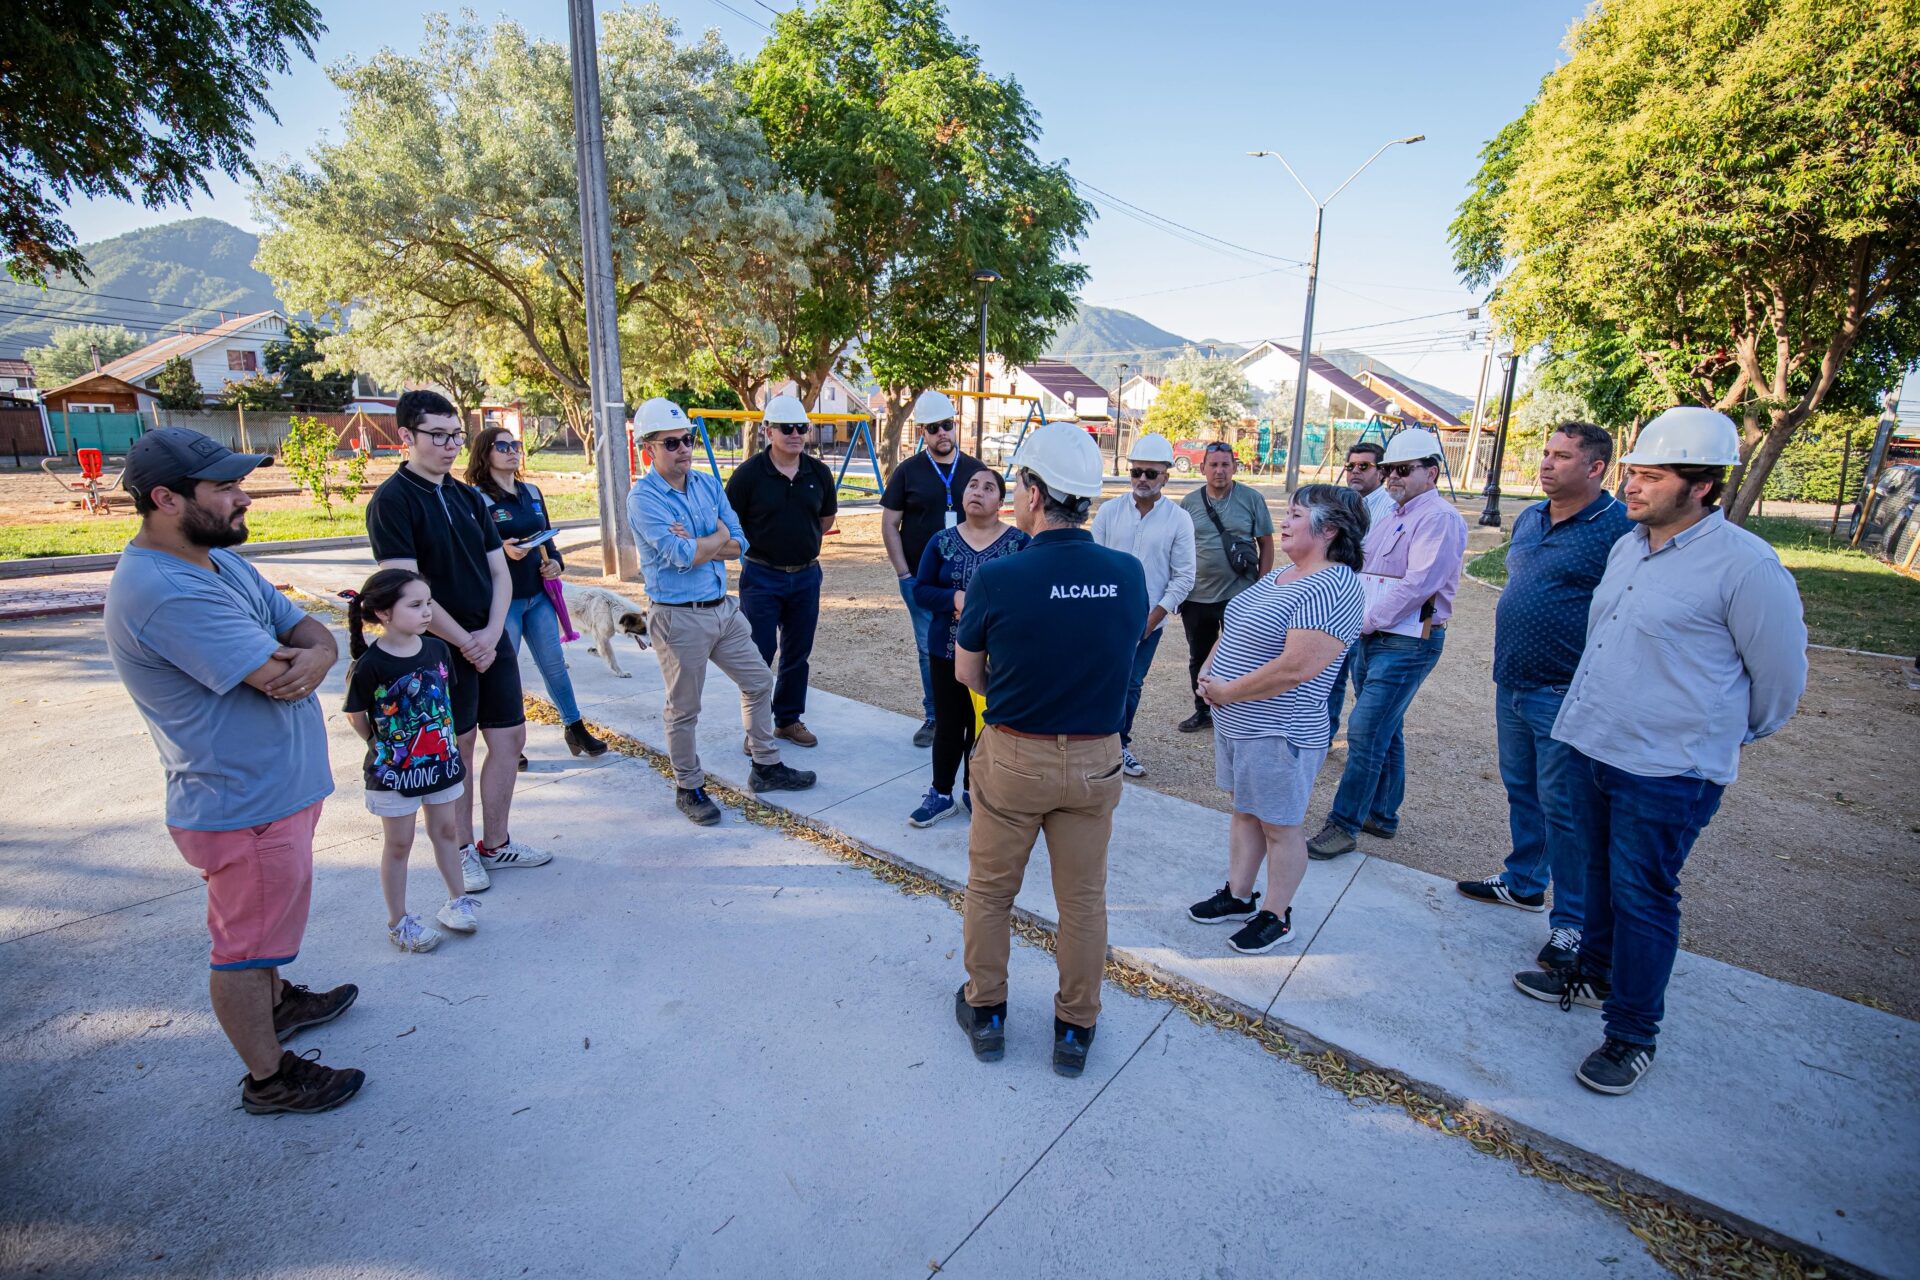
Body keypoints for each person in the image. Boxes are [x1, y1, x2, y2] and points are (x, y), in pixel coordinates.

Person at [1515, 408, 1806, 1096]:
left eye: (1651, 476)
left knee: (1643, 894)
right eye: (1632, 473)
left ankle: (1632, 1034)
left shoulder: (1746, 566)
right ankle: (1594, 972)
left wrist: (1719, 732)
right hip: (1594, 744)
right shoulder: (1629, 546)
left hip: (1669, 769)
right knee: (1597, 873)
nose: (1632, 486)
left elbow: (1779, 680)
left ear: (1701, 485)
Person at [103, 427, 364, 1115]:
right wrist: (309, 657)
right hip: (242, 805)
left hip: (273, 793)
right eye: (224, 488)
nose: (243, 498)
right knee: (244, 948)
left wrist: (320, 652)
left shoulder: (217, 561)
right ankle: (268, 1079)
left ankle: (278, 1004)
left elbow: (310, 633)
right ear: (166, 499)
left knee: (267, 929)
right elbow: (275, 672)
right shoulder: (164, 590)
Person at [951, 423, 1147, 1079]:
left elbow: (967, 673)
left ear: (1034, 493)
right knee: (1083, 903)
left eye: (1018, 486)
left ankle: (987, 1014)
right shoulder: (1127, 574)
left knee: (990, 892)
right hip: (1096, 761)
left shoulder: (998, 576)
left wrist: (1017, 690)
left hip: (1016, 757)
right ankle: (1074, 1028)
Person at [1455, 423, 1632, 972]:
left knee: (1566, 809)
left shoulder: (1620, 527)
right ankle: (1525, 882)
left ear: (1596, 467)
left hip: (1565, 690)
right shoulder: (1531, 517)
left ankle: (1574, 923)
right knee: (1523, 789)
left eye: (1562, 456)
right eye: (1546, 453)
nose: (1547, 463)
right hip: (1513, 680)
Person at [367, 391, 550, 894]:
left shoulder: (468, 497)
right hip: (438, 648)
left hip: (490, 636)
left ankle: (496, 842)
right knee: (459, 748)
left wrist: (491, 632)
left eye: (455, 436)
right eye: (437, 436)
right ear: (406, 436)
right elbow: (407, 590)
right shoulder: (392, 501)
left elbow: (500, 570)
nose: (450, 446)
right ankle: (462, 849)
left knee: (510, 739)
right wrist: (466, 641)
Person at [1187, 486, 1367, 953]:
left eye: (1296, 515)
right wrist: (1209, 668)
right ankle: (1239, 895)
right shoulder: (1285, 575)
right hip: (1240, 725)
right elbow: (1236, 625)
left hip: (1278, 731)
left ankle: (1277, 915)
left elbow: (1296, 668)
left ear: (1329, 530)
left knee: (1280, 826)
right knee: (1246, 812)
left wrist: (1227, 691)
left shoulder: (1334, 585)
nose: (1283, 522)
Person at [626, 397, 816, 826]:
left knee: (758, 681)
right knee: (684, 709)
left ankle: (765, 766)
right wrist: (714, 537)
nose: (683, 449)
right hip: (678, 617)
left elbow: (740, 542)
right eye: (671, 443)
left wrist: (701, 542)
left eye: (687, 439)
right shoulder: (643, 499)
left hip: (722, 610)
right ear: (648, 449)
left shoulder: (707, 484)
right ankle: (688, 787)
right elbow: (680, 555)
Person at [1306, 428, 1467, 859]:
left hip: (1406, 642)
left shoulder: (1439, 518)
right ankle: (1381, 813)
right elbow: (1363, 569)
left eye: (1403, 469)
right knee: (1384, 728)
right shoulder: (1391, 514)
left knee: (1364, 731)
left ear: (1431, 472)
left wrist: (1365, 620)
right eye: (1390, 469)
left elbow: (1419, 584)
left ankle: (1343, 825)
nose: (1393, 476)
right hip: (1375, 638)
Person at [342, 569, 477, 953]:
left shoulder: (438, 650)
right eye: (415, 605)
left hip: (441, 766)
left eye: (428, 603)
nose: (427, 612)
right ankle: (398, 922)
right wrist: (379, 745)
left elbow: (442, 701)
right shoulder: (370, 664)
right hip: (394, 774)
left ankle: (457, 902)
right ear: (383, 613)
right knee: (399, 843)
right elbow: (355, 715)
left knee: (447, 831)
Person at [466, 424, 608, 762]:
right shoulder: (476, 499)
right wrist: (502, 551)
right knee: (504, 672)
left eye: (515, 444)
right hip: (503, 602)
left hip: (538, 596)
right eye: (503, 447)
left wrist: (556, 563)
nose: (513, 451)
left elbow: (547, 538)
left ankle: (575, 727)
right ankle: (507, 743)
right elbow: (469, 553)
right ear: (484, 454)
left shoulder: (531, 492)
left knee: (555, 665)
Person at [908, 468, 1029, 826]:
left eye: (989, 487)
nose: (978, 491)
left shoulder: (1020, 544)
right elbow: (921, 590)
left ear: (1001, 501)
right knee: (949, 723)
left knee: (985, 726)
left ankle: (974, 791)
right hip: (946, 650)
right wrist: (955, 598)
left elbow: (1028, 593)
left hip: (997, 655)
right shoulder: (941, 541)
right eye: (973, 485)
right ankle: (941, 793)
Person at [726, 393, 838, 748]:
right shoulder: (748, 476)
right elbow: (730, 523)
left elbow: (825, 519)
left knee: (797, 653)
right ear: (768, 431)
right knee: (758, 654)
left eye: (801, 427)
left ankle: (788, 720)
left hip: (806, 576)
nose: (795, 434)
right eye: (786, 428)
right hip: (762, 576)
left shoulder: (818, 473)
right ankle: (756, 730)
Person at [882, 390, 987, 748]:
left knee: (976, 646)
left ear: (955, 425)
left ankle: (976, 718)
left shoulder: (975, 471)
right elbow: (889, 524)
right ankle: (935, 716)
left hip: (972, 583)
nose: (942, 432)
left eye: (947, 424)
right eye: (933, 427)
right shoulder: (907, 472)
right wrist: (903, 574)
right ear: (922, 432)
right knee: (930, 649)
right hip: (922, 582)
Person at [1092, 432, 1195, 777]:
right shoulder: (1109, 511)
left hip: (1150, 621)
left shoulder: (1178, 519)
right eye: (1136, 472)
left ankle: (1119, 744)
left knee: (1131, 683)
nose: (1142, 480)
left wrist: (1152, 620)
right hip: (1105, 619)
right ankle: (1093, 743)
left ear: (1166, 476)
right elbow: (1093, 562)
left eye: (1151, 473)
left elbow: (1184, 577)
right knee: (1099, 679)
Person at [1178, 442, 1275, 735]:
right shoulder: (1189, 503)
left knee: (1243, 654)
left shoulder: (1252, 499)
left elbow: (1266, 543)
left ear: (1234, 467)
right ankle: (1203, 710)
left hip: (1240, 594)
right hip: (1197, 595)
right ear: (1202, 468)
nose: (1219, 470)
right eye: (1214, 465)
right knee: (1199, 656)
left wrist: (1261, 588)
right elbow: (1179, 546)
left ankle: (1241, 710)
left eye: (1225, 464)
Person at [1326, 440, 1395, 736]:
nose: (1355, 471)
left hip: (1367, 609)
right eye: (1350, 466)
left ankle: (1364, 742)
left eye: (1363, 466)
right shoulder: (1340, 503)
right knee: (1328, 677)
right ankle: (1324, 736)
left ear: (1381, 472)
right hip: (1336, 604)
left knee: (1363, 683)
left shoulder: (1391, 509)